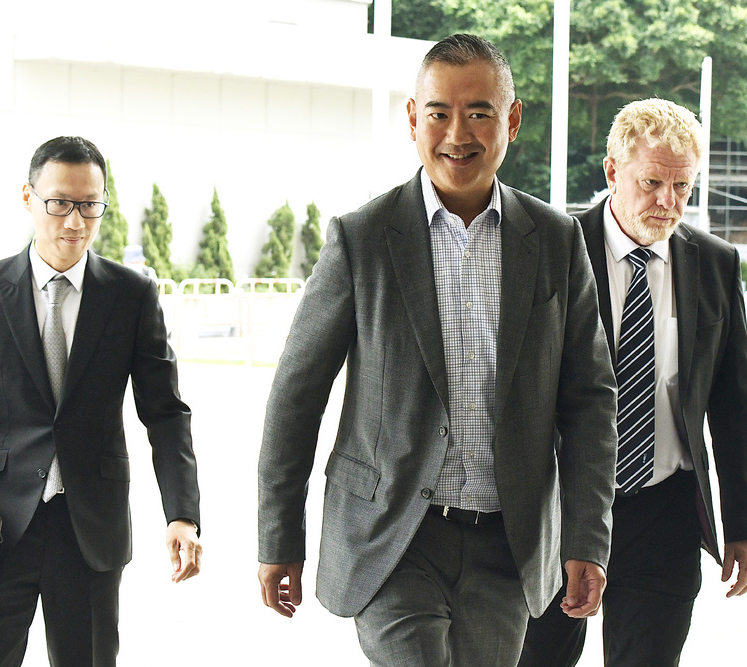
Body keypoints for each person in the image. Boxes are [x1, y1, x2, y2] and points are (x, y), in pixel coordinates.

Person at [257, 34, 618, 666]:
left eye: (479, 112)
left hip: (507, 543)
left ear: (512, 119)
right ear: (413, 119)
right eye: (439, 113)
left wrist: (586, 537)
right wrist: (277, 534)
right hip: (393, 536)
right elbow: (297, 394)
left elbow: (589, 402)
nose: (458, 133)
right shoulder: (362, 239)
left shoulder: (557, 241)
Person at [0, 136, 202, 666]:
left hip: (90, 523)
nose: (75, 221)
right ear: (28, 198)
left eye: (90, 205)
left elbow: (165, 413)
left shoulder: (132, 295)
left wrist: (182, 514)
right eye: (59, 203)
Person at [520, 98, 747, 667]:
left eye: (683, 187)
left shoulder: (714, 262)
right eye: (652, 182)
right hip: (558, 507)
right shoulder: (551, 248)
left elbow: (736, 406)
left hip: (664, 509)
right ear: (612, 171)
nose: (667, 203)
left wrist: (746, 526)